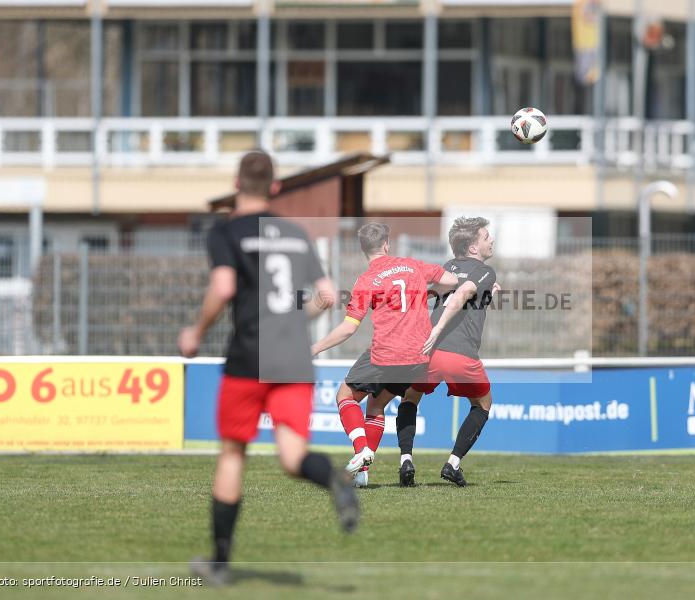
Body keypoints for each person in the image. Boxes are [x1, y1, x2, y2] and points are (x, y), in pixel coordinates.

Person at [178, 150, 359, 586]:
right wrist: (293, 323)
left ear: (237, 184)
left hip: (248, 356)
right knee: (293, 456)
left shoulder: (227, 232)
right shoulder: (296, 234)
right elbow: (328, 295)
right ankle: (335, 479)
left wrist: (196, 331)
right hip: (292, 356)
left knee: (233, 453)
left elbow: (222, 287)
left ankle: (220, 564)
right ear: (275, 187)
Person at [311, 223, 461, 486]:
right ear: (387, 244)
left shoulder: (367, 280)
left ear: (362, 249)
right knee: (377, 404)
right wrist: (429, 293)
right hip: (419, 356)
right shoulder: (412, 265)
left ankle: (362, 451)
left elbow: (348, 328)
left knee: (345, 395)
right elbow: (450, 280)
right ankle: (363, 472)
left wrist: (314, 348)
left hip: (386, 354)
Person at [397, 217, 498, 487]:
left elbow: (434, 291)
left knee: (410, 399)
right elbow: (464, 291)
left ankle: (406, 459)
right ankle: (453, 463)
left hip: (429, 354)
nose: (491, 240)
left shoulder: (449, 267)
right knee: (483, 405)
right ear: (474, 248)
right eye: (486, 237)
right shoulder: (485, 270)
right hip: (459, 355)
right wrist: (437, 328)